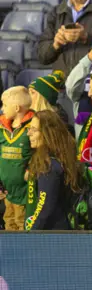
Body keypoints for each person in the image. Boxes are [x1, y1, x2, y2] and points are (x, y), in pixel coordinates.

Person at [24, 110, 84, 231]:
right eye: (29, 128)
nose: (28, 133)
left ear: (48, 133)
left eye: (34, 130)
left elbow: (44, 208)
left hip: (52, 234)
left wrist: (31, 235)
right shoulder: (55, 160)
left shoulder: (49, 166)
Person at [0, 87, 34, 230]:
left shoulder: (33, 127)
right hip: (6, 192)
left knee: (22, 225)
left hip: (25, 194)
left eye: (4, 105)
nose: (2, 108)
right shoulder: (1, 129)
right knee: (9, 224)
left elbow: (40, 153)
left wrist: (31, 169)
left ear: (16, 108)